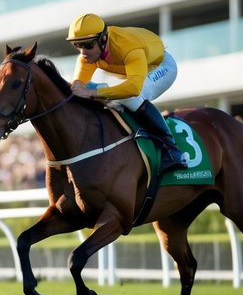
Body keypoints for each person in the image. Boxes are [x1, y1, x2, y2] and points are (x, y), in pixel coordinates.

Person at [66, 12, 187, 174]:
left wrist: (95, 92)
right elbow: (77, 89)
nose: (83, 52)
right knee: (95, 91)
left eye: (88, 45)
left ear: (103, 40)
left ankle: (172, 150)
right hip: (135, 70)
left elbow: (133, 88)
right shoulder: (87, 57)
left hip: (160, 65)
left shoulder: (127, 46)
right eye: (77, 46)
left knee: (131, 97)